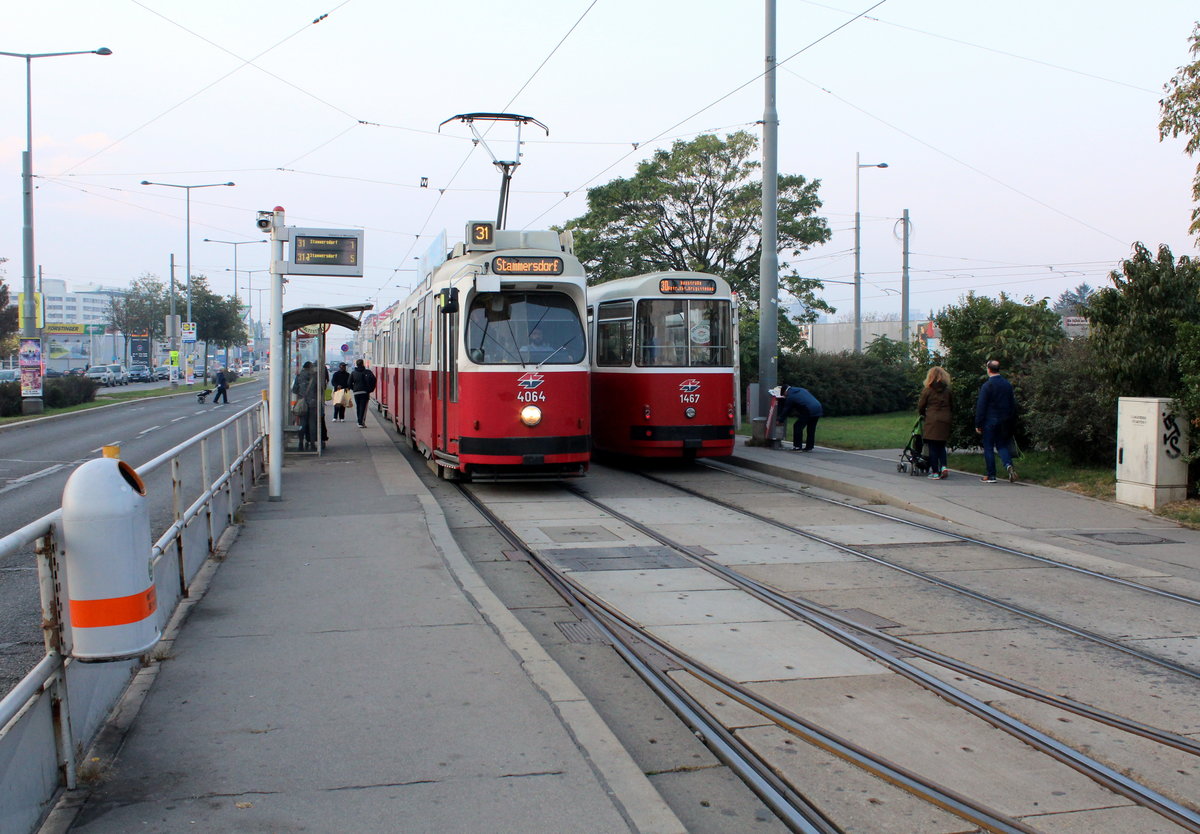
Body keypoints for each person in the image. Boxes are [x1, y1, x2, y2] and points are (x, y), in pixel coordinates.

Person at [975, 359, 1017, 483]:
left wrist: (978, 423)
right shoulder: (1007, 384)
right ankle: (1008, 464)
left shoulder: (987, 385)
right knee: (1002, 445)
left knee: (988, 447)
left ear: (988, 369)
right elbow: (1012, 403)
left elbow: (981, 405)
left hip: (989, 420)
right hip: (1004, 419)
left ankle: (991, 475)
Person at [917, 366, 953, 479]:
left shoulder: (927, 390)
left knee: (932, 447)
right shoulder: (947, 391)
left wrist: (923, 414)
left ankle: (935, 472)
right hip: (945, 419)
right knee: (941, 446)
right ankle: (943, 466)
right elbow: (952, 405)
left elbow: (921, 406)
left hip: (932, 420)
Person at [779, 384, 823, 451]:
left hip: (808, 410)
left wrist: (780, 420)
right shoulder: (801, 389)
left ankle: (797, 446)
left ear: (785, 392)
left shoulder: (790, 396)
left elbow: (787, 410)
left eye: (784, 395)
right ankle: (809, 447)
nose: (785, 397)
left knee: (797, 426)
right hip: (818, 408)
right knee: (811, 429)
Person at [349, 358, 376, 427]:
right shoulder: (368, 372)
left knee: (358, 406)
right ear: (363, 364)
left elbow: (349, 383)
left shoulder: (353, 373)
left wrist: (354, 388)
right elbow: (373, 380)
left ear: (356, 365)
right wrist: (370, 390)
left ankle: (359, 421)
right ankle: (361, 422)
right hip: (365, 392)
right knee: (363, 408)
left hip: (356, 393)